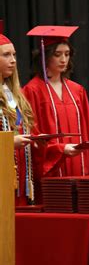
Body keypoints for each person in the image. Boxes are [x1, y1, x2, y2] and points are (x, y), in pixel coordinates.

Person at [23, 26, 89, 177]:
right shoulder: (32, 91)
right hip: (52, 170)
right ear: (45, 56)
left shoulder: (77, 90)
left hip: (81, 167)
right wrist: (60, 149)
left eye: (67, 54)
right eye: (57, 54)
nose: (63, 59)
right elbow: (33, 134)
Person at [0, 32, 51, 206]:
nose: (13, 60)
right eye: (6, 55)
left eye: (14, 54)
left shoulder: (15, 95)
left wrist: (37, 142)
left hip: (21, 181)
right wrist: (9, 143)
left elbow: (22, 129)